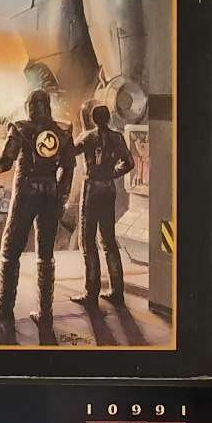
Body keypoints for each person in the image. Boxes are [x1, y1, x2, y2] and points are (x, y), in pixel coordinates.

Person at [0, 89, 75, 332]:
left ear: (30, 106)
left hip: (25, 193)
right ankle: (45, 313)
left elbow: (5, 163)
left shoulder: (20, 129)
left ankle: (4, 309)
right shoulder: (63, 131)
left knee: (10, 249)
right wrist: (61, 196)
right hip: (50, 194)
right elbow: (69, 167)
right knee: (45, 254)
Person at [75, 102, 135, 306]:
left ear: (93, 119)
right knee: (108, 240)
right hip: (109, 188)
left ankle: (91, 292)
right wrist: (112, 173)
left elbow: (69, 152)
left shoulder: (87, 137)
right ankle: (117, 290)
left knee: (87, 240)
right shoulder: (117, 138)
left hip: (91, 189)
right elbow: (129, 163)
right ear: (109, 118)